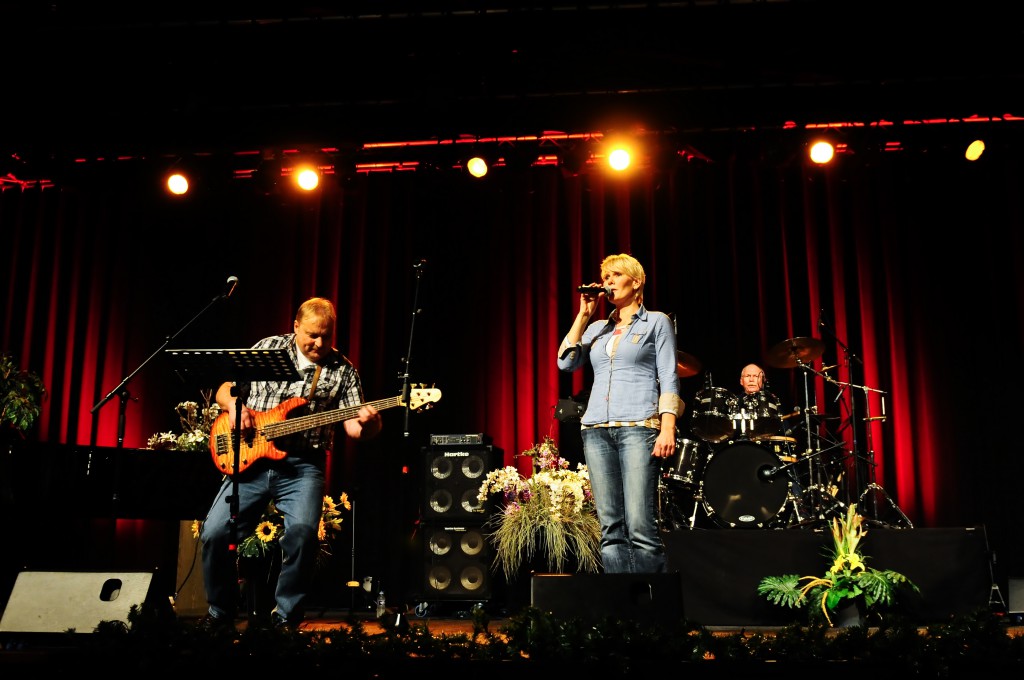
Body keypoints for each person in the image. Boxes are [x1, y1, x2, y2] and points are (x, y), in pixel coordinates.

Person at [199, 296, 382, 630]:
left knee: (303, 535)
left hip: (302, 466)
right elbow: (227, 389)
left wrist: (370, 424)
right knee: (214, 533)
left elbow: (354, 427)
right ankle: (220, 613)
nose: (320, 343)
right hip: (249, 458)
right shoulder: (269, 348)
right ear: (295, 326)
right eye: (312, 335)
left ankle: (285, 618)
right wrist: (235, 408)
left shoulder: (343, 370)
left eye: (326, 336)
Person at [556, 253, 684, 573]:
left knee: (640, 525)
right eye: (605, 277)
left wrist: (667, 427)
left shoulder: (656, 322)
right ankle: (620, 601)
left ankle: (654, 602)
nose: (608, 282)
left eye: (615, 275)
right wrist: (584, 315)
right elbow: (565, 362)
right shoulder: (598, 328)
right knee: (610, 529)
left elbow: (669, 376)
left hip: (638, 427)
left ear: (636, 282)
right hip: (596, 430)